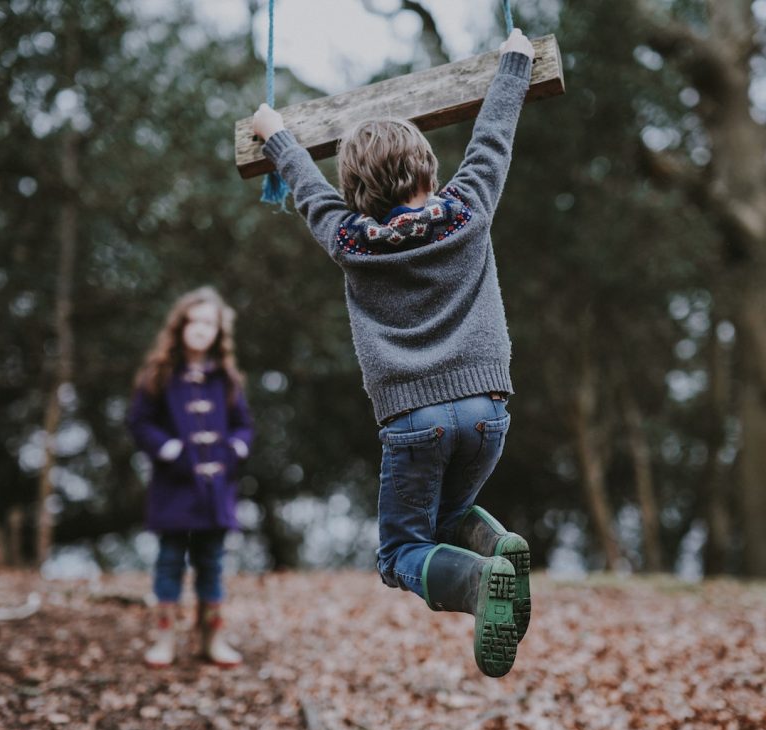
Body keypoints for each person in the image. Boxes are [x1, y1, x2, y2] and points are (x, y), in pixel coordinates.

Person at [251, 29, 535, 677]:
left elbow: (305, 187)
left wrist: (276, 133)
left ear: (358, 189)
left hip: (415, 420)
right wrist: (514, 58)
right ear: (429, 167)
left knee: (401, 552)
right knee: (450, 515)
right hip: (488, 411)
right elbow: (494, 134)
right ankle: (499, 546)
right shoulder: (469, 209)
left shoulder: (351, 239)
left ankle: (479, 583)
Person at [128, 286, 255, 668]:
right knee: (169, 561)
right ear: (180, 326)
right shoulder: (159, 374)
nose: (201, 330)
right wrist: (170, 450)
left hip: (216, 491)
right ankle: (164, 639)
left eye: (209, 324)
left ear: (219, 332)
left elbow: (244, 426)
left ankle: (211, 639)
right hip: (173, 488)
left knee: (212, 562)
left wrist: (234, 449)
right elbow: (139, 421)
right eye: (194, 321)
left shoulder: (227, 379)